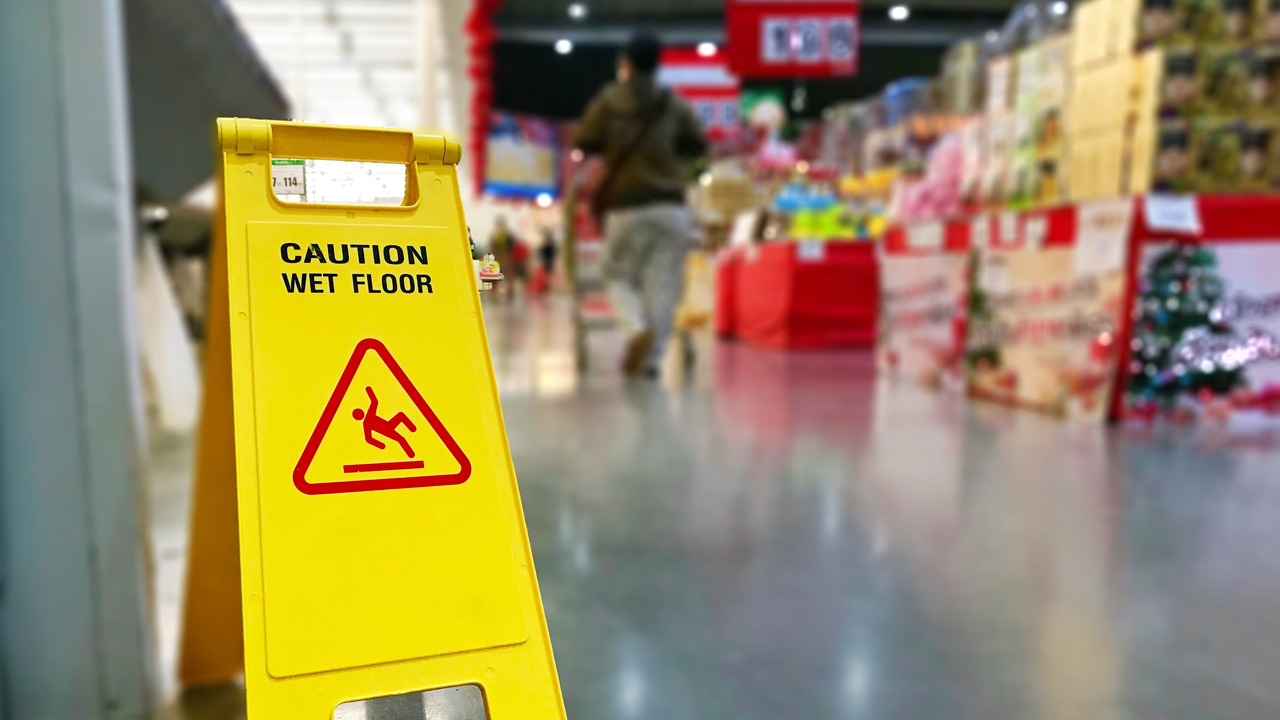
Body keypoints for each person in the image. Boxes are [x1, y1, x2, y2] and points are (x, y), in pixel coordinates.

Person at [574, 30, 709, 377]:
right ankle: (650, 361)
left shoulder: (609, 102)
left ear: (626, 64)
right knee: (662, 283)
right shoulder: (672, 104)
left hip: (625, 205)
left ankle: (635, 332)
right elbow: (698, 143)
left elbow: (583, 140)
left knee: (616, 274)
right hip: (670, 205)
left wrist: (609, 143)